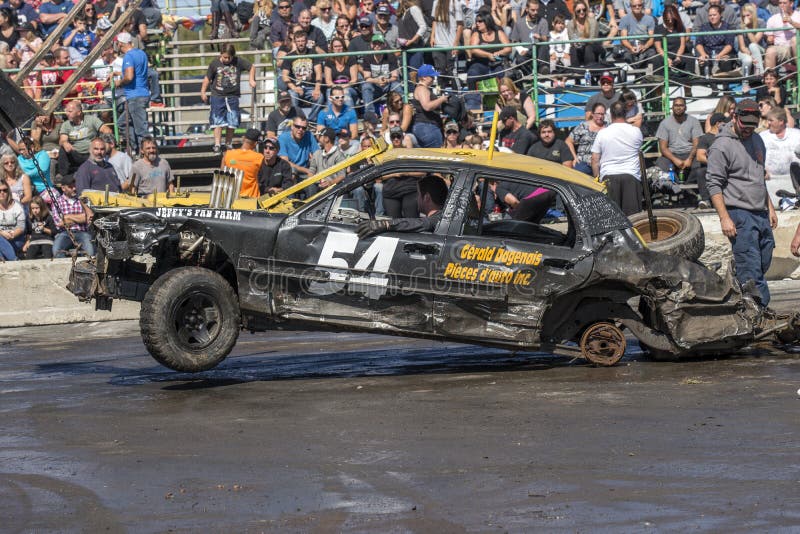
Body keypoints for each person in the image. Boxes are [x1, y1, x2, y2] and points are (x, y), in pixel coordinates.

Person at [707, 99, 777, 306]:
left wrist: (770, 207)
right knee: (752, 273)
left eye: (752, 126)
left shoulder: (758, 141)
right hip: (739, 214)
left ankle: (738, 297)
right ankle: (759, 316)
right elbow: (714, 185)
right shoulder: (721, 146)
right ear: (735, 117)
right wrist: (724, 218)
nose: (747, 130)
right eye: (744, 125)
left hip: (760, 213)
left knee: (762, 263)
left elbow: (758, 177)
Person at [202, 44, 257, 155]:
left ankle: (228, 143)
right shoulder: (215, 63)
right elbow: (207, 78)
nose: (226, 60)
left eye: (229, 58)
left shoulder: (238, 61)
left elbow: (252, 67)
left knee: (232, 121)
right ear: (221, 54)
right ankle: (217, 144)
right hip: (217, 95)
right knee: (217, 121)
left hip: (233, 96)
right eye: (225, 57)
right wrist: (203, 91)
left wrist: (251, 79)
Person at [591, 100, 643, 215]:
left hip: (609, 177)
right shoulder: (636, 131)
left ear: (611, 115)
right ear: (626, 114)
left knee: (612, 218)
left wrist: (597, 180)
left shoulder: (603, 133)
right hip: (631, 176)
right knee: (633, 219)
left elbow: (595, 160)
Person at [357, 174, 448, 237]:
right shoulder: (445, 216)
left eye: (419, 194)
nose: (417, 198)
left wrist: (385, 224)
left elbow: (422, 223)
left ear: (427, 198)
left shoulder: (440, 219)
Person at [465, 10, 511, 111]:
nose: (477, 24)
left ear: (487, 21)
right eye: (476, 21)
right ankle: (473, 106)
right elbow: (473, 50)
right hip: (480, 63)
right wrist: (488, 55)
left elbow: (508, 48)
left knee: (502, 76)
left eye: (480, 21)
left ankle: (506, 104)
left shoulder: (498, 32)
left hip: (496, 63)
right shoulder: (476, 33)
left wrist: (498, 53)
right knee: (472, 75)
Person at [58, 101, 112, 179]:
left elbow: (107, 130)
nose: (67, 113)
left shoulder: (91, 120)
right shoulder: (66, 124)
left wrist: (102, 141)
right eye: (66, 111)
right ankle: (64, 176)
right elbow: (62, 139)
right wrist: (65, 143)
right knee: (62, 148)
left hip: (91, 153)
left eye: (70, 111)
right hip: (75, 153)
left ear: (79, 112)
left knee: (102, 146)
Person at [117, 32, 151, 153]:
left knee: (141, 129)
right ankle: (137, 148)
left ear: (120, 44)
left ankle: (147, 153)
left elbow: (129, 77)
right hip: (142, 93)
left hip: (135, 95)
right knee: (122, 123)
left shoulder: (128, 56)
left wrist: (119, 82)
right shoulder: (141, 53)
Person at [281, 30, 325, 123]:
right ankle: (297, 120)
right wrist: (294, 88)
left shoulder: (313, 54)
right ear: (295, 42)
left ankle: (311, 120)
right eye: (298, 41)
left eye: (302, 41)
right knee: (292, 96)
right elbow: (284, 76)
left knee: (320, 96)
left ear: (306, 41)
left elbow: (319, 73)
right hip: (296, 87)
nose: (300, 43)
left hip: (311, 87)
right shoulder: (289, 57)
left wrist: (317, 88)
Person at [759, 106, 800, 201]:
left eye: (771, 120)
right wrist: (762, 169)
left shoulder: (797, 135)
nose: (768, 123)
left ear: (781, 121)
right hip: (770, 183)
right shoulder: (762, 137)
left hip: (795, 183)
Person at [654, 97, 702, 175]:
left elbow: (696, 144)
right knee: (661, 164)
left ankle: (689, 184)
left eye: (681, 105)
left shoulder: (694, 121)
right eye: (676, 105)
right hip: (672, 154)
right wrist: (675, 159)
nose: (678, 108)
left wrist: (689, 159)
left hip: (690, 153)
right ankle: (674, 185)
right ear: (672, 107)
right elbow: (663, 148)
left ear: (685, 107)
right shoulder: (664, 123)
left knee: (700, 164)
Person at [52, 175, 95, 258]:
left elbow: (87, 218)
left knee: (90, 250)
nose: (74, 188)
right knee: (56, 249)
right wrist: (79, 218)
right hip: (65, 233)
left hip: (82, 232)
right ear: (63, 188)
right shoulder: (58, 202)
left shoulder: (82, 200)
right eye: (70, 187)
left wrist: (67, 217)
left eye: (74, 186)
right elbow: (59, 223)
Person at [360, 34, 402, 114]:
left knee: (397, 86)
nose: (377, 46)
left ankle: (401, 111)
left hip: (388, 85)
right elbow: (367, 77)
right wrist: (377, 81)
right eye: (375, 43)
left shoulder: (390, 56)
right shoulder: (367, 57)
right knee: (366, 86)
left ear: (384, 45)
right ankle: (370, 114)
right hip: (374, 86)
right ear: (371, 45)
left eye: (380, 43)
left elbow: (395, 76)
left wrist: (387, 80)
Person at [693, 112, 726, 209]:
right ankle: (706, 200)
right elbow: (699, 156)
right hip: (710, 166)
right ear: (718, 123)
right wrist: (715, 162)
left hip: (726, 165)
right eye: (724, 123)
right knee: (700, 172)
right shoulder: (705, 138)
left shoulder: (726, 137)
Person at [566, 102, 607, 175]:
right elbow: (568, 141)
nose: (600, 116)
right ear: (592, 114)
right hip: (583, 162)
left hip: (602, 163)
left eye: (602, 114)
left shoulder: (608, 127)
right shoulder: (583, 126)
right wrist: (574, 157)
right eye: (598, 113)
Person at [412, 64, 447, 148]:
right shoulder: (422, 89)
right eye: (432, 76)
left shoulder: (423, 89)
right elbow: (427, 106)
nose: (434, 78)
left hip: (426, 127)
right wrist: (441, 99)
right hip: (427, 126)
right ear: (424, 77)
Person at [222, 129, 264, 198]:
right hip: (251, 200)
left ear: (243, 138)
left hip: (230, 198)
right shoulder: (259, 157)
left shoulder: (227, 154)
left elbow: (222, 176)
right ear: (256, 143)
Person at [430, 0, 463, 89]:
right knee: (439, 70)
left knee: (452, 71)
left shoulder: (455, 3)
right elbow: (434, 20)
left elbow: (460, 25)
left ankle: (457, 94)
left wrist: (456, 43)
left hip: (451, 43)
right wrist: (432, 36)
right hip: (438, 44)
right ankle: (441, 94)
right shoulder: (436, 2)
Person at [696, 5, 736, 76]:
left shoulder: (727, 27)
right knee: (703, 61)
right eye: (710, 15)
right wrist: (703, 54)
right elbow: (699, 43)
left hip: (723, 53)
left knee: (725, 62)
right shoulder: (704, 27)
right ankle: (708, 83)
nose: (712, 17)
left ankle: (725, 85)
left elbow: (729, 45)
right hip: (708, 53)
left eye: (714, 15)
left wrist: (720, 55)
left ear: (720, 15)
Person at [279, 115, 319, 182]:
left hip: (306, 172)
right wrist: (307, 170)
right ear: (292, 126)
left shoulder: (309, 135)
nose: (300, 130)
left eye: (304, 128)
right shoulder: (283, 138)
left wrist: (313, 167)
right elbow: (285, 162)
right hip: (290, 171)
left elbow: (318, 154)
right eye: (297, 126)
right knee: (292, 173)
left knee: (313, 185)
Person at [307, 128, 346, 194]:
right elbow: (311, 170)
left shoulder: (339, 155)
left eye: (320, 136)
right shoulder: (317, 153)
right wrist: (311, 180)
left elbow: (341, 175)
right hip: (317, 186)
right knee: (310, 186)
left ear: (326, 139)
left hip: (333, 188)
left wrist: (330, 183)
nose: (318, 139)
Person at [618, 0, 656, 67]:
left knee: (652, 54)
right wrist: (631, 47)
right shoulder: (624, 19)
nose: (637, 7)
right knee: (626, 55)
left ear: (642, 5)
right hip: (630, 44)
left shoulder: (650, 19)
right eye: (634, 6)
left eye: (639, 5)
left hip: (644, 44)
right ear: (631, 7)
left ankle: (644, 75)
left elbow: (651, 38)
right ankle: (637, 74)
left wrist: (644, 47)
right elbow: (624, 39)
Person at [567, 0, 605, 67]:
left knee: (588, 47)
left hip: (595, 47)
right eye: (579, 11)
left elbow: (592, 40)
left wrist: (582, 39)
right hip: (579, 48)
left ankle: (590, 68)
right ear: (575, 12)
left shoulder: (593, 22)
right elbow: (572, 41)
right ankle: (575, 71)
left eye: (584, 10)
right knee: (572, 49)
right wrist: (576, 43)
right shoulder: (570, 24)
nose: (582, 12)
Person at [764, 0, 799, 70]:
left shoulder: (798, 15)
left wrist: (791, 22)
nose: (782, 5)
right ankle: (770, 77)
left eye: (784, 3)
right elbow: (768, 38)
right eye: (780, 3)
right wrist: (769, 39)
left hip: (796, 47)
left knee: (794, 40)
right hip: (781, 48)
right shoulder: (773, 18)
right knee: (770, 51)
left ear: (791, 4)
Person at [324, 37, 359, 108]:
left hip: (349, 87)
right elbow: (328, 82)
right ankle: (331, 116)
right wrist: (337, 89)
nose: (338, 48)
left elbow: (354, 80)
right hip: (334, 88)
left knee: (346, 92)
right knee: (329, 92)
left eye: (340, 46)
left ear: (343, 47)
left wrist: (342, 88)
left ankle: (349, 116)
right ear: (332, 49)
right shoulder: (328, 61)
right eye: (335, 46)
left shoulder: (351, 59)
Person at [396, 0, 429, 71]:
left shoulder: (414, 9)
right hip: (404, 49)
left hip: (415, 48)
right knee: (406, 74)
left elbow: (423, 27)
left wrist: (412, 40)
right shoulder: (400, 13)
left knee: (414, 73)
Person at [737, 2, 765, 79]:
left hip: (759, 50)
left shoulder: (761, 23)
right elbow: (742, 47)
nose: (745, 18)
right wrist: (751, 56)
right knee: (747, 60)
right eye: (743, 16)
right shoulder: (739, 25)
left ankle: (760, 72)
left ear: (753, 15)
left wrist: (746, 28)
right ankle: (745, 83)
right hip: (745, 51)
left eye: (748, 15)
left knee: (752, 45)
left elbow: (755, 42)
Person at [0, 178, 24, 260]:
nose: (2, 193)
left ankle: (12, 259)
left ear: (8, 191)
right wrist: (2, 233)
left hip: (16, 238)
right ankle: (14, 259)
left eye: (4, 190)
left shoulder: (17, 206)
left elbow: (21, 227)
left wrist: (12, 235)